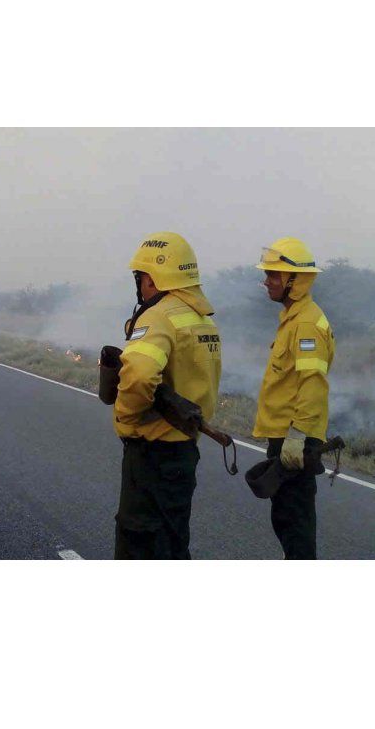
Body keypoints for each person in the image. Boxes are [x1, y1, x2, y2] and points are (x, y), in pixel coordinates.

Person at [113, 232, 221, 559]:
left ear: (152, 279)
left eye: (140, 277)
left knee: (139, 542)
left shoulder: (159, 315)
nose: (140, 285)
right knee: (173, 541)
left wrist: (127, 419)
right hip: (184, 451)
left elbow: (140, 374)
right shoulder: (202, 320)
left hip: (153, 454)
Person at [253, 237, 335, 559]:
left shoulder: (305, 324)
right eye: (267, 273)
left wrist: (298, 436)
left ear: (295, 280)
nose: (267, 281)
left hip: (295, 440)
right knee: (287, 520)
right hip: (287, 437)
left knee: (295, 524)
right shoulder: (293, 318)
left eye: (274, 274)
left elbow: (313, 383)